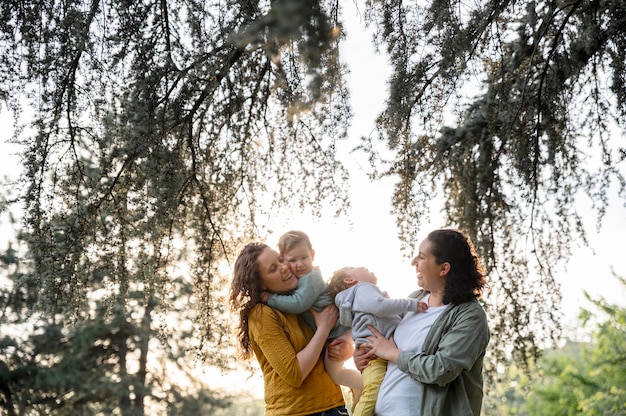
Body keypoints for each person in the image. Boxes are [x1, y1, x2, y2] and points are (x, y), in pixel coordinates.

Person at [354, 228, 490, 416]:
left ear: (444, 269)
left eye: (422, 257)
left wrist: (392, 353)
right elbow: (383, 340)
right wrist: (365, 356)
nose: (413, 262)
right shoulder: (415, 299)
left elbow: (441, 369)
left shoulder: (469, 316)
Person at [229, 242, 351, 416]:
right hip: (296, 411)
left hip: (333, 405)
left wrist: (343, 349)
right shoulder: (262, 314)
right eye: (273, 269)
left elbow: (322, 351)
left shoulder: (303, 301)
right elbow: (295, 374)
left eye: (280, 260)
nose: (284, 268)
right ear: (261, 285)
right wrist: (323, 329)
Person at [264, 230, 363, 399]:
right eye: (293, 260)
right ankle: (361, 387)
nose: (300, 264)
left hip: (341, 329)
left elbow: (299, 303)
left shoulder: (311, 278)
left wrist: (270, 298)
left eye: (304, 257)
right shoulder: (299, 282)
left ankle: (363, 386)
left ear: (312, 254)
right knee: (335, 371)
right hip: (335, 332)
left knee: (336, 373)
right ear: (284, 261)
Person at [327, 266, 428, 416]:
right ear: (350, 280)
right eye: (355, 267)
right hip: (373, 355)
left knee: (376, 390)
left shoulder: (363, 298)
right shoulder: (363, 289)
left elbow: (395, 316)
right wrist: (411, 304)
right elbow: (379, 306)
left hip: (378, 353)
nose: (363, 267)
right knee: (372, 390)